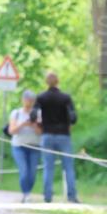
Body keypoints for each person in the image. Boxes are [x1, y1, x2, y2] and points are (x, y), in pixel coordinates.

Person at [34, 72, 80, 203]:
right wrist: (69, 124)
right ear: (58, 81)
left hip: (47, 134)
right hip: (63, 135)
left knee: (48, 167)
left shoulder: (41, 98)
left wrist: (39, 125)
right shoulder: (65, 98)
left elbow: (34, 114)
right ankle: (72, 195)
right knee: (68, 166)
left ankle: (47, 196)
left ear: (46, 82)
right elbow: (73, 117)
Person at [9, 89, 42, 203]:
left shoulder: (38, 113)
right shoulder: (16, 113)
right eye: (27, 99)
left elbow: (41, 132)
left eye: (32, 100)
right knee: (24, 171)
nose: (29, 102)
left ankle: (28, 191)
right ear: (23, 100)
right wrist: (23, 124)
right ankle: (26, 193)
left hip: (34, 146)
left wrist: (33, 125)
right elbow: (12, 131)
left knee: (32, 173)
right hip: (19, 146)